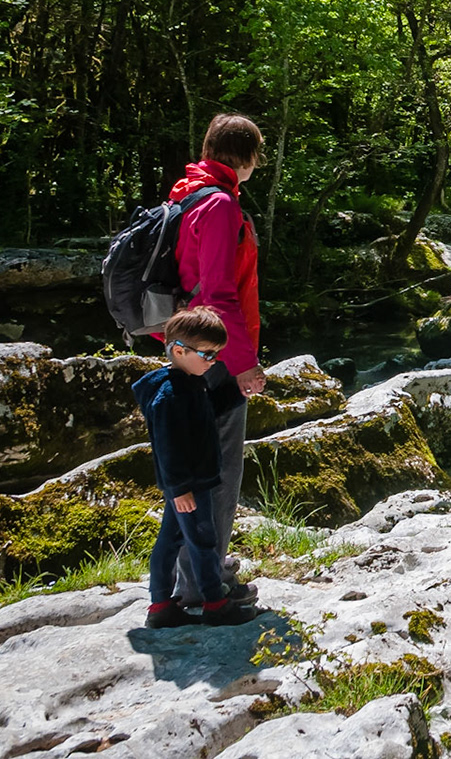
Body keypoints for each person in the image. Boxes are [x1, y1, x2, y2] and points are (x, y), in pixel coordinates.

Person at [161, 112, 267, 607]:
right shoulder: (221, 205)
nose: (258, 164)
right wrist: (244, 362)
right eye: (256, 155)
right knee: (218, 471)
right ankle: (203, 587)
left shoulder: (188, 194)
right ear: (244, 157)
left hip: (189, 347)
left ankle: (202, 568)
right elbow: (220, 295)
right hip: (215, 354)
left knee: (196, 464)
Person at [132, 307, 258, 628]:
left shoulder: (190, 382)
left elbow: (209, 411)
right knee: (203, 541)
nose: (213, 361)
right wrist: (178, 488)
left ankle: (160, 606)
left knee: (169, 542)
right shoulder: (169, 396)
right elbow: (166, 448)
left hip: (191, 483)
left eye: (216, 354)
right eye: (206, 354)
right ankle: (215, 604)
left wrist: (238, 392)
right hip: (189, 485)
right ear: (178, 350)